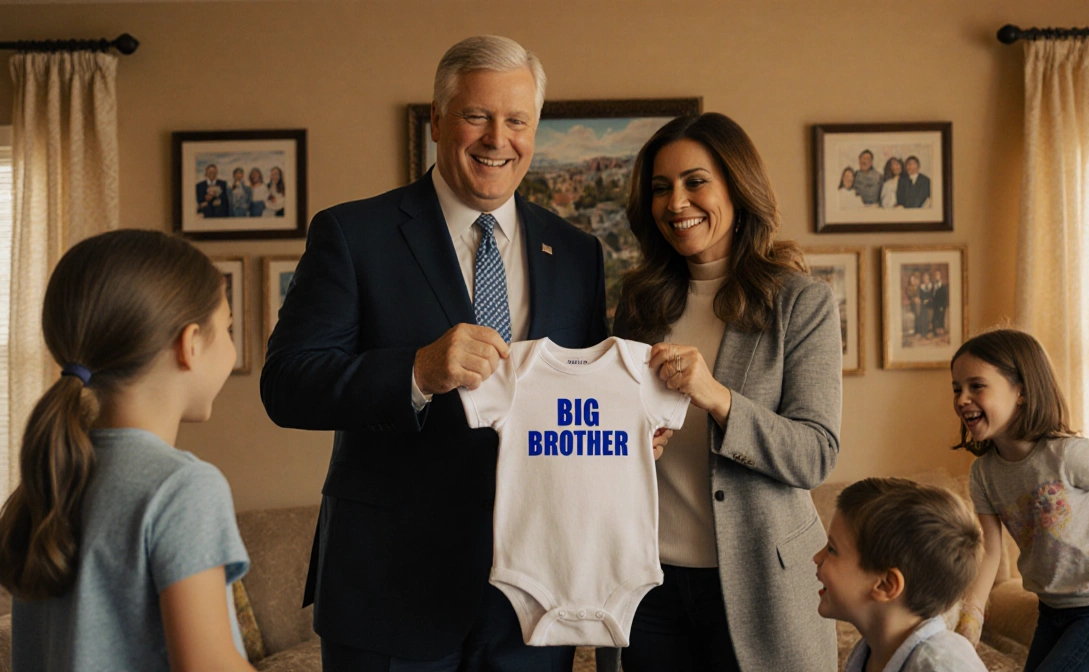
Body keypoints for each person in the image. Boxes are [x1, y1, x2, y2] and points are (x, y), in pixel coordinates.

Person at [260, 36, 634, 672]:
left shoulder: (577, 252)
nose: (497, 139)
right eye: (476, 116)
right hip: (388, 592)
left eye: (517, 121)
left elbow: (579, 396)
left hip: (533, 596)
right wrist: (415, 371)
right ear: (436, 119)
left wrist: (627, 427)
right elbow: (286, 384)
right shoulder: (353, 233)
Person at [613, 112, 842, 671]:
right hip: (648, 586)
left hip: (764, 584)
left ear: (738, 188)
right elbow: (615, 439)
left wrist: (717, 397)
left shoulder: (801, 303)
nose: (676, 203)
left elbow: (815, 454)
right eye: (661, 188)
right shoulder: (638, 306)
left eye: (695, 182)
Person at [0, 229, 252, 671]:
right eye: (228, 328)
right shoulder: (183, 488)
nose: (231, 347)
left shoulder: (47, 481)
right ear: (191, 343)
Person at [950, 329, 1089, 671]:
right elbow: (991, 551)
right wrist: (971, 616)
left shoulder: (1067, 455)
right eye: (957, 388)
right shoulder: (983, 474)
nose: (963, 398)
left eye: (976, 386)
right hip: (1052, 610)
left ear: (1021, 391)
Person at [813, 478, 987, 672]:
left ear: (886, 585)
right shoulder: (872, 650)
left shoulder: (941, 666)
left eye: (832, 549)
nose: (817, 557)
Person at [931, 269, 949, 336]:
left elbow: (944, 297)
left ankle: (941, 332)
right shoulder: (933, 285)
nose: (936, 276)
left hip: (941, 305)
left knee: (941, 318)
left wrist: (942, 305)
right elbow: (932, 295)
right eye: (935, 275)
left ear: (940, 276)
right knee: (935, 318)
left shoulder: (943, 286)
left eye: (938, 275)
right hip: (935, 305)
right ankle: (936, 332)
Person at [903, 272, 921, 336]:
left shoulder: (918, 287)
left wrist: (918, 299)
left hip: (918, 303)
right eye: (911, 280)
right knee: (917, 314)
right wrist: (915, 299)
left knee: (920, 313)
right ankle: (917, 331)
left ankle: (920, 330)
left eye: (914, 279)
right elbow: (910, 297)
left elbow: (920, 295)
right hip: (912, 304)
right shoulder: (909, 288)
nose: (913, 281)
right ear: (910, 281)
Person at [918, 271, 934, 338]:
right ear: (922, 278)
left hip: (931, 304)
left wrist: (928, 300)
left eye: (927, 277)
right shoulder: (921, 286)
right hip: (923, 304)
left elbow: (933, 296)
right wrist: (923, 301)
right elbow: (920, 296)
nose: (925, 279)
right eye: (924, 277)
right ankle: (923, 332)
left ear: (929, 278)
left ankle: (930, 332)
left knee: (929, 315)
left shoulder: (931, 286)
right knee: (923, 314)